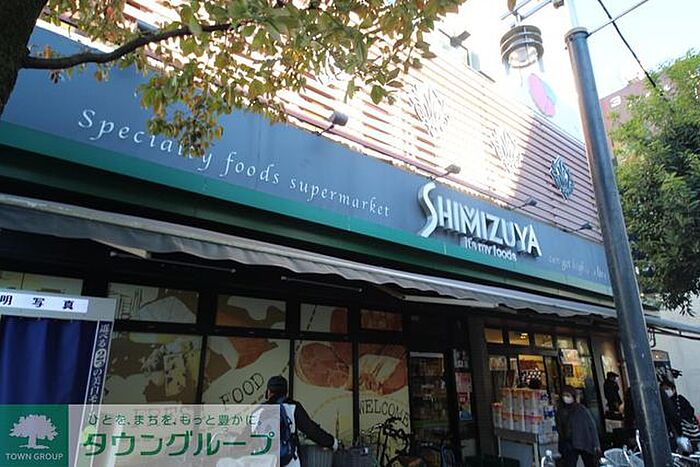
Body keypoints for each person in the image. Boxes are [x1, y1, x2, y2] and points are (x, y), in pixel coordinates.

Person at [265, 375, 338, 467]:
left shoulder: (259, 410)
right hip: (289, 461)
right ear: (286, 392)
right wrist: (332, 442)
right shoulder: (293, 407)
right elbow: (311, 430)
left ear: (268, 392)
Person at [556, 386, 601, 467]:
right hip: (569, 443)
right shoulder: (560, 410)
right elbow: (559, 427)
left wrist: (596, 444)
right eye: (564, 395)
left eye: (568, 395)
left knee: (589, 462)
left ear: (573, 396)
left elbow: (591, 426)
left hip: (584, 441)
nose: (565, 398)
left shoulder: (581, 409)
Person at [660, 379, 699, 452]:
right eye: (664, 390)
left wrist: (680, 417)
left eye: (667, 389)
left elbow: (690, 411)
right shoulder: (663, 404)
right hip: (675, 432)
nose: (666, 391)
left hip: (685, 430)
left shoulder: (680, 399)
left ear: (673, 390)